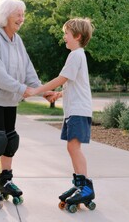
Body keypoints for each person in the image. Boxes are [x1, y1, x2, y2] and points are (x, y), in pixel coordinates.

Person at [0, 0, 46, 208]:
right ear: (5, 16)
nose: (22, 18)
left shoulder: (17, 40)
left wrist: (43, 91)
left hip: (9, 99)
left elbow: (28, 69)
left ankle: (5, 180)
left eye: (23, 15)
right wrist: (23, 89)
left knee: (10, 140)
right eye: (18, 14)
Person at [24, 18, 96, 212]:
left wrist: (36, 90)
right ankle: (80, 183)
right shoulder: (78, 56)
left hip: (78, 111)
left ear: (78, 36)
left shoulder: (75, 55)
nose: (64, 36)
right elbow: (74, 84)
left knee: (74, 148)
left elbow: (61, 78)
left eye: (66, 33)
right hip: (75, 111)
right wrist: (59, 94)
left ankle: (85, 187)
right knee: (72, 147)